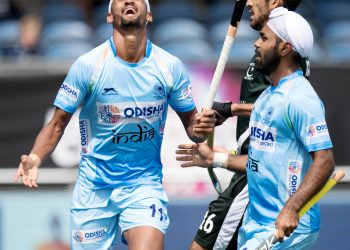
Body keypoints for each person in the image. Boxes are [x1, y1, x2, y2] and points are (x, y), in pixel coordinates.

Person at [14, 0, 216, 249]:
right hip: (94, 189)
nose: (128, 1)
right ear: (109, 16)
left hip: (143, 185)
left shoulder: (169, 67)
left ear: (149, 15)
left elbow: (193, 129)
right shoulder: (89, 65)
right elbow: (57, 124)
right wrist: (35, 158)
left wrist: (202, 129)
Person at [177, 7, 335, 250]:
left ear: (284, 48)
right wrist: (214, 158)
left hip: (288, 229)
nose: (256, 44)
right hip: (256, 225)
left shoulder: (302, 99)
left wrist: (291, 209)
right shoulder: (266, 97)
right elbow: (258, 161)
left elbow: (324, 161)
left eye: (264, 38)